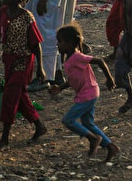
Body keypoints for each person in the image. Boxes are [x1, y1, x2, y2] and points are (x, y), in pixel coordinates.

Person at [49, 23, 120, 162]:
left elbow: (99, 61)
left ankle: (92, 138)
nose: (58, 45)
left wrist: (110, 79)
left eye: (60, 42)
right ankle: (110, 146)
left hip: (88, 95)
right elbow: (74, 79)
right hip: (88, 93)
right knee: (88, 123)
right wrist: (60, 88)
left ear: (70, 43)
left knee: (68, 120)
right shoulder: (69, 59)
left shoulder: (76, 56)